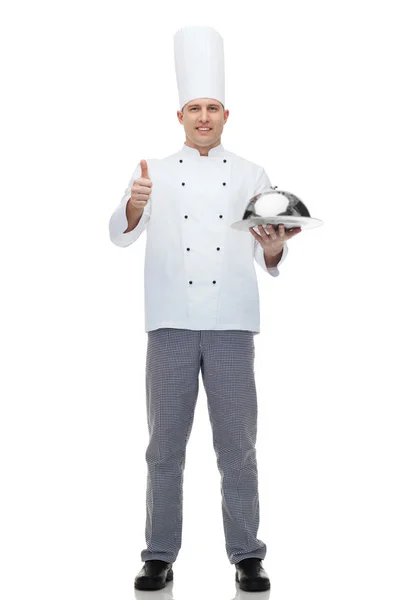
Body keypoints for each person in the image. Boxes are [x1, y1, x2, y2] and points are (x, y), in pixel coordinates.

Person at [108, 26, 301, 593]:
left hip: (232, 326)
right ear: (180, 115)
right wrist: (131, 206)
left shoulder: (251, 173)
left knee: (237, 446)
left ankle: (246, 554)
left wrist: (273, 247)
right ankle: (158, 553)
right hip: (168, 322)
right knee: (164, 445)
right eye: (194, 107)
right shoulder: (152, 170)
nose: (203, 116)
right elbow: (119, 234)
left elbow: (270, 243)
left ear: (225, 114)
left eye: (212, 107)